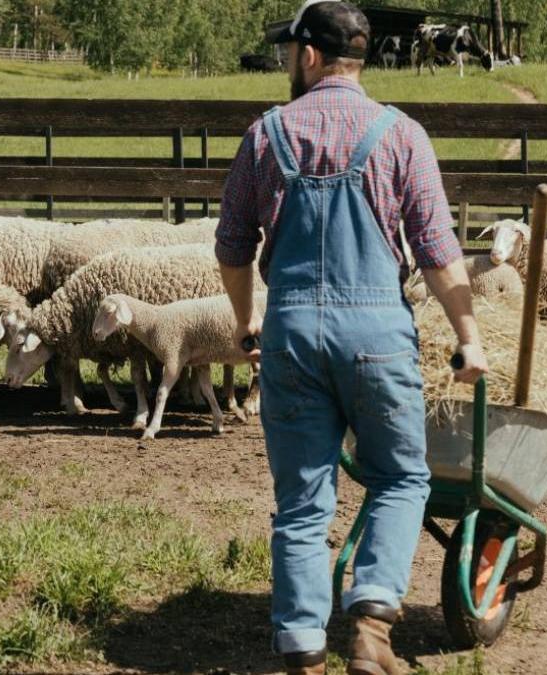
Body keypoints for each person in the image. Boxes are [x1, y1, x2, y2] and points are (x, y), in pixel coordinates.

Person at [215, 1, 488, 674]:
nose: (287, 61)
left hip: (291, 331)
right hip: (376, 331)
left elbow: (232, 245)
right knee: (399, 476)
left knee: (302, 499)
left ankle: (302, 647)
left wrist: (247, 319)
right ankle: (370, 624)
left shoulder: (265, 135)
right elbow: (438, 251)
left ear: (310, 55)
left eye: (290, 52)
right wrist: (469, 336)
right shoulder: (401, 135)